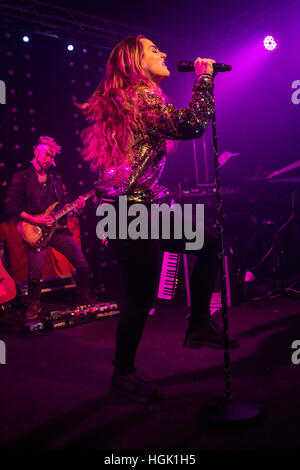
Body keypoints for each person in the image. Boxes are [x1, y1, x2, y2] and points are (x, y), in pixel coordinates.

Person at [79, 36, 239, 402]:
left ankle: (199, 323)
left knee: (209, 244)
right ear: (135, 61)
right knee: (140, 297)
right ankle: (122, 373)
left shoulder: (136, 98)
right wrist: (203, 78)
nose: (163, 53)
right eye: (153, 50)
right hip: (128, 210)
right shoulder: (140, 96)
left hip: (141, 207)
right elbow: (192, 125)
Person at [5, 136, 94, 320]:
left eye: (52, 157)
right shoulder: (22, 177)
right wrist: (34, 220)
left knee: (82, 265)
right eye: (46, 155)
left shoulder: (55, 178)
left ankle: (85, 298)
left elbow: (63, 208)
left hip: (58, 230)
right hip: (34, 230)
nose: (49, 160)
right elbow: (11, 207)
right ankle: (34, 303)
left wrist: (77, 208)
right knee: (34, 274)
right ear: (36, 152)